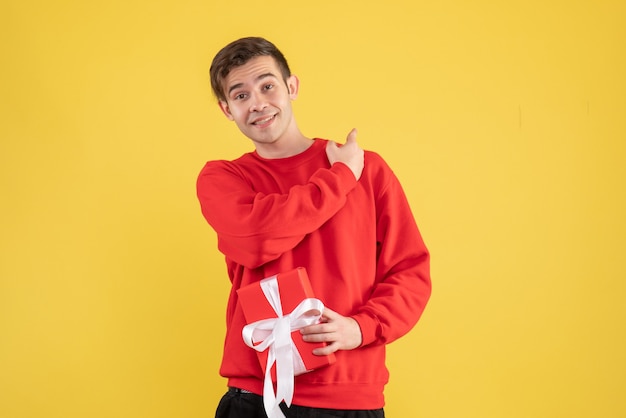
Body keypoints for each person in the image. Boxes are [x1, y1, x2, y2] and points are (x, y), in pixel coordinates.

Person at [197, 36, 431, 418]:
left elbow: (410, 269)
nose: (257, 103)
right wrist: (338, 178)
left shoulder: (368, 170)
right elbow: (257, 238)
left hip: (350, 396)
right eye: (240, 96)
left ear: (292, 87)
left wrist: (363, 328)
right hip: (256, 396)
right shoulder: (223, 177)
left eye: (267, 86)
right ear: (227, 109)